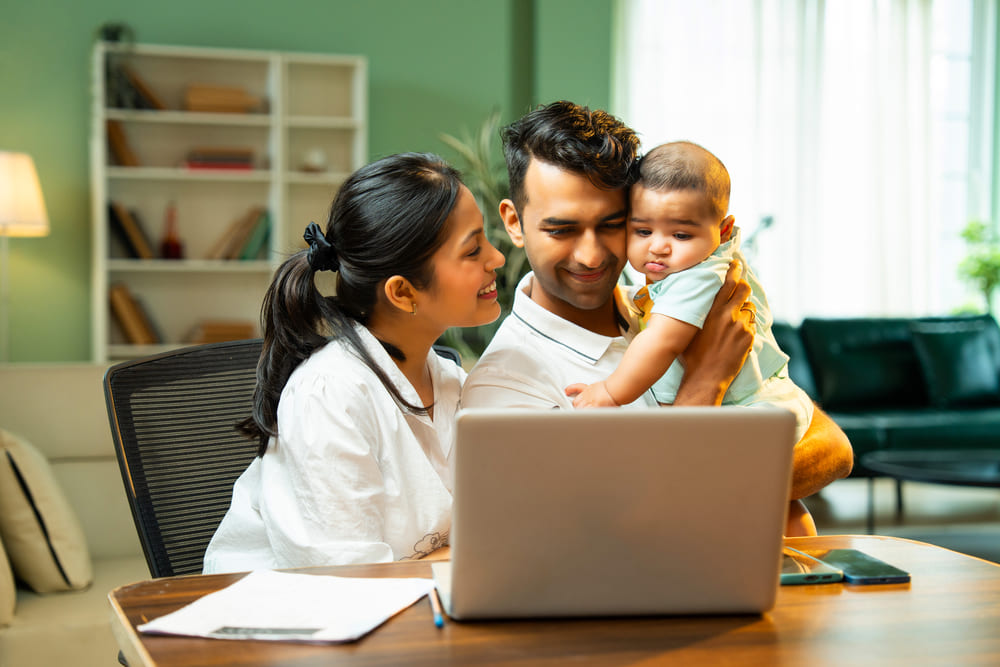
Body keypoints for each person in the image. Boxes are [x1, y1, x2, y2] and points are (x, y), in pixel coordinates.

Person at [460, 101, 853, 536]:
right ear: (514, 223)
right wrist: (705, 381)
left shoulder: (662, 307)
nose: (591, 256)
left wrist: (692, 482)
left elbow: (834, 451)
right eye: (562, 229)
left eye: (613, 224)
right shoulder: (504, 388)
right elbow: (615, 536)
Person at [203, 152, 505, 573]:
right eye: (473, 250)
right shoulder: (329, 395)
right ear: (403, 293)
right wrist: (472, 553)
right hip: (293, 622)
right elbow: (347, 580)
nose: (497, 258)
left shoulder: (451, 381)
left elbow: (498, 526)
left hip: (417, 611)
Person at [565, 141, 814, 442]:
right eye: (643, 231)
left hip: (755, 403)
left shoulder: (699, 276)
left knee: (702, 464)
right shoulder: (691, 268)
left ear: (723, 231)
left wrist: (608, 391)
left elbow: (661, 341)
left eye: (681, 235)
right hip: (743, 400)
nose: (658, 247)